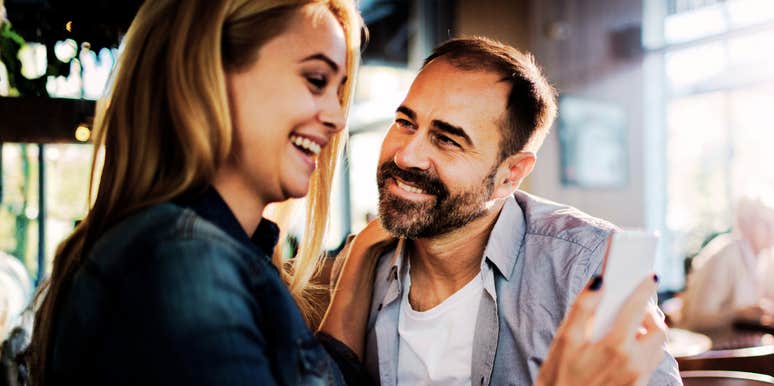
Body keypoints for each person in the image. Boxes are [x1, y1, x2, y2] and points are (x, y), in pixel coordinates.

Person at [27, 1, 375, 385]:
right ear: (211, 72)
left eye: (338, 91)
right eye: (316, 80)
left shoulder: (190, 248)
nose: (337, 117)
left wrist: (363, 251)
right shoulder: (185, 260)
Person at [344, 37, 681, 385]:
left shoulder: (585, 267)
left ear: (510, 175)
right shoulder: (361, 268)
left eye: (447, 140)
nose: (406, 156)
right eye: (405, 122)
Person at [677, 196, 774, 332]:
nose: (772, 230)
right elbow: (696, 320)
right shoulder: (725, 255)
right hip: (714, 347)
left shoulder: (763, 258)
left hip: (744, 346)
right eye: (766, 223)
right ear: (745, 223)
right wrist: (737, 314)